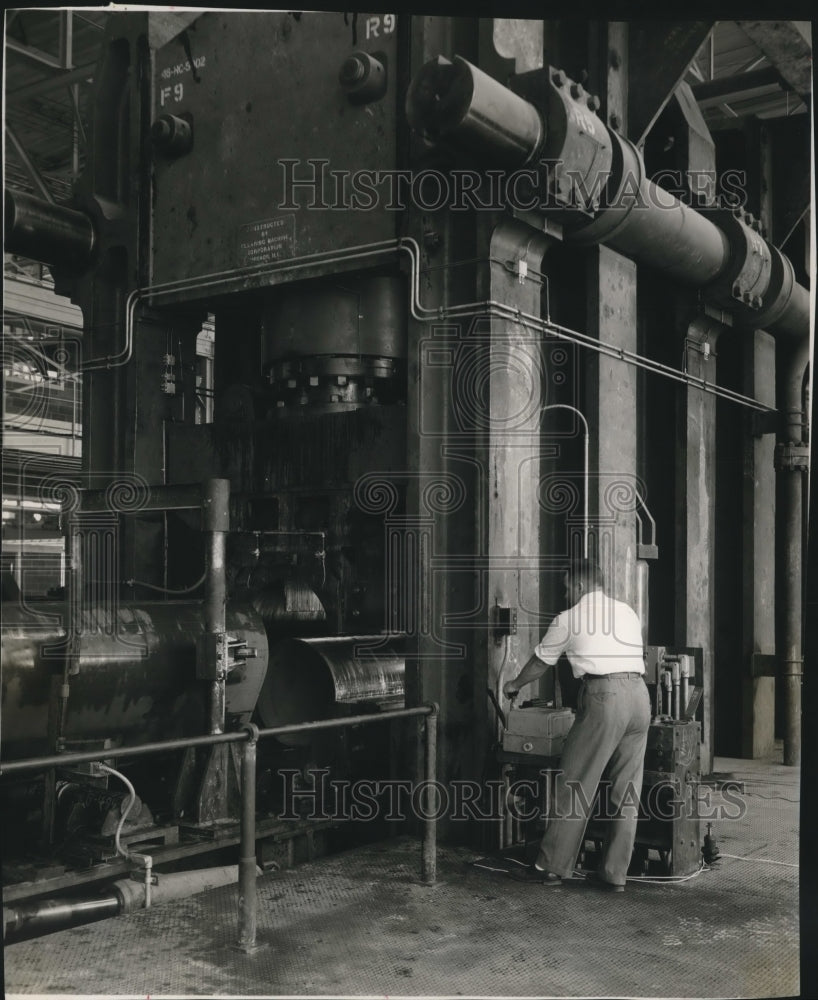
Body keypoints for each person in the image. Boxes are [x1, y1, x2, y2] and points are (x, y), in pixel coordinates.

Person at [502, 557, 650, 892]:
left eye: (567, 585)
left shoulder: (569, 618)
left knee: (575, 783)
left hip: (605, 696)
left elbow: (541, 662)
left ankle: (551, 867)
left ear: (581, 585)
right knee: (626, 789)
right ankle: (615, 874)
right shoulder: (626, 611)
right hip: (640, 697)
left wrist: (513, 684)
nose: (566, 590)